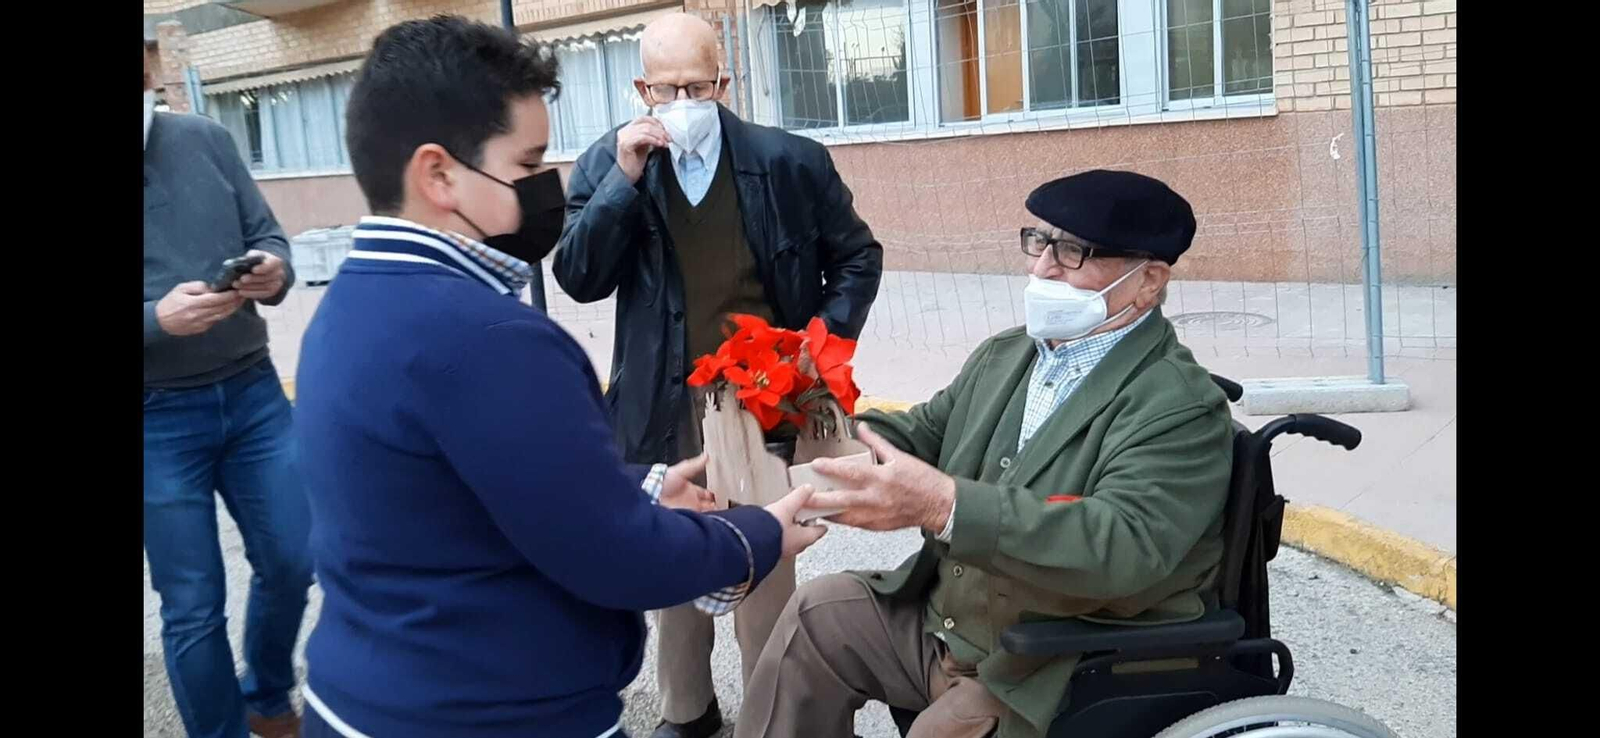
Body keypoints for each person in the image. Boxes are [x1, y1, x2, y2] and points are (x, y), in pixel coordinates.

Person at [292, 17, 827, 738]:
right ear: (438, 173)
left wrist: (636, 485)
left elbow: (494, 490)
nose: (543, 185)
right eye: (526, 163)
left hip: (368, 699)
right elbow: (614, 555)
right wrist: (755, 536)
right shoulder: (493, 340)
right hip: (497, 716)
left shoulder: (351, 302)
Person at [735, 170, 1237, 738]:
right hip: (949, 626)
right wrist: (809, 437)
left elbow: (1122, 545)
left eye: (1073, 251)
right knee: (815, 617)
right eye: (1039, 241)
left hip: (1058, 656)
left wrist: (945, 507)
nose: (1042, 267)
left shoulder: (1180, 405)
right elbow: (922, 431)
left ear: (1148, 280)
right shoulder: (1008, 354)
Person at [552, 12, 883, 738]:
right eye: (664, 88)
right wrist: (624, 177)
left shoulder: (789, 161)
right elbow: (578, 277)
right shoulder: (607, 162)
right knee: (671, 554)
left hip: (760, 396)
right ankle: (687, 711)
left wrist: (812, 347)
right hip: (659, 397)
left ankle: (774, 718)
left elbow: (858, 257)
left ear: (722, 82)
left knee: (764, 557)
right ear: (641, 87)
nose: (680, 102)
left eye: (695, 85)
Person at [142, 40, 311, 738]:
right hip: (153, 417)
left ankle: (267, 696)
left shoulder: (203, 138)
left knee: (296, 560)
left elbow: (268, 235)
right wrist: (155, 319)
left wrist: (274, 269)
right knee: (191, 603)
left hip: (252, 393)